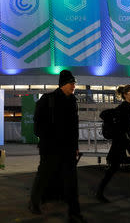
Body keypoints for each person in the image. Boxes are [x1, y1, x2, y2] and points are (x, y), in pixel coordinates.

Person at [29, 70, 87, 223]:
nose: (74, 86)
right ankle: (34, 203)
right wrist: (49, 139)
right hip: (50, 148)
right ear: (63, 84)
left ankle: (74, 213)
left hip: (68, 149)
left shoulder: (73, 101)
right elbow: (37, 125)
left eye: (74, 83)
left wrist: (75, 147)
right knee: (43, 176)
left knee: (71, 181)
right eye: (71, 83)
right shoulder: (48, 99)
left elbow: (74, 127)